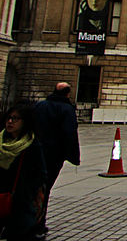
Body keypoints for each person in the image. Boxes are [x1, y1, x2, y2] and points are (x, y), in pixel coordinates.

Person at [33, 82, 79, 238]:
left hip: (34, 152)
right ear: (68, 93)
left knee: (31, 187)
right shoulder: (67, 109)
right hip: (54, 154)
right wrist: (73, 156)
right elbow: (70, 133)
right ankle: (38, 224)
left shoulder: (39, 106)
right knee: (44, 189)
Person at [1, 101, 48, 241]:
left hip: (21, 202)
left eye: (15, 119)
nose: (10, 122)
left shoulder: (32, 145)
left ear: (24, 122)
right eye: (8, 118)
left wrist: (29, 193)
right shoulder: (1, 142)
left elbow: (41, 174)